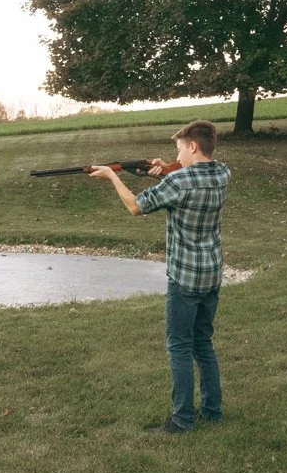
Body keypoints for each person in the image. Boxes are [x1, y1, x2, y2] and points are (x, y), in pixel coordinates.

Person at [88, 120, 231, 433]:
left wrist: (113, 175)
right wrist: (166, 167)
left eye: (179, 149)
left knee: (179, 347)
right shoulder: (222, 173)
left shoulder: (178, 183)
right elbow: (190, 174)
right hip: (211, 273)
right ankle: (212, 411)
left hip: (184, 277)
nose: (175, 155)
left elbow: (136, 207)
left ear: (192, 146)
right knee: (203, 343)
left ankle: (182, 420)